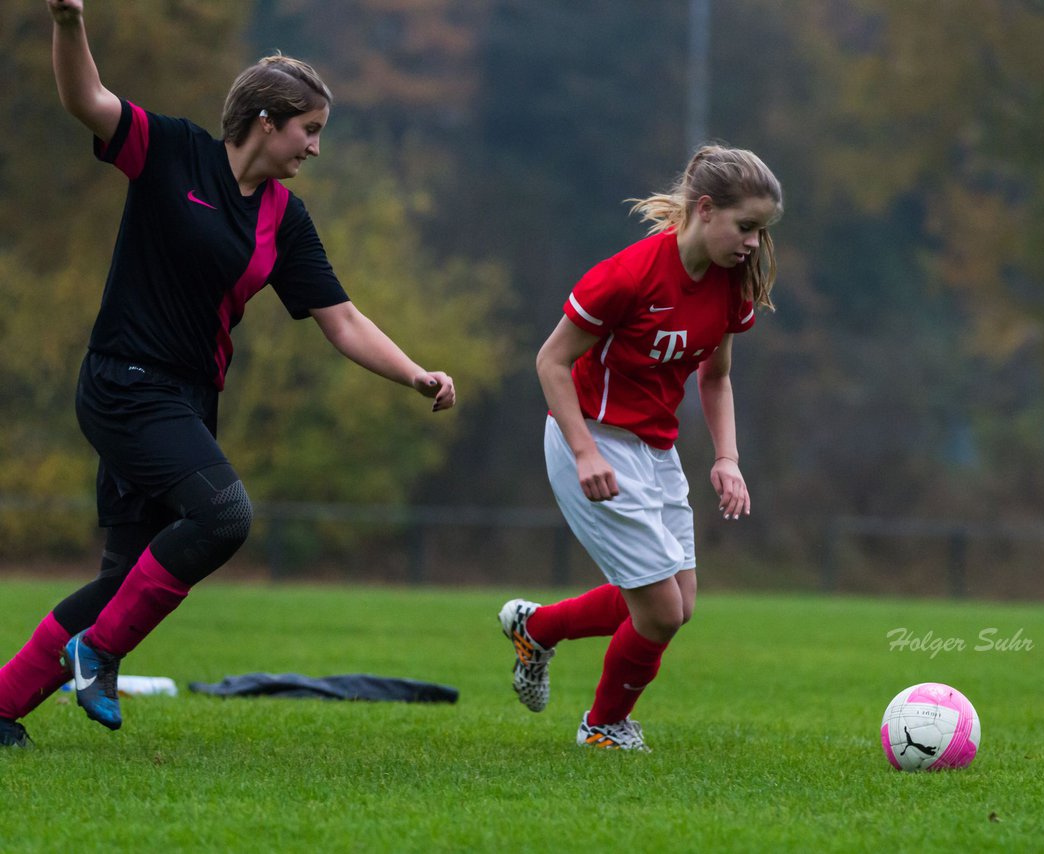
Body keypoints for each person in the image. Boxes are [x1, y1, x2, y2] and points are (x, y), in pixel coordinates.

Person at [0, 0, 455, 749]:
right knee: (224, 516)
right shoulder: (171, 151)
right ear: (268, 121)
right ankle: (99, 651)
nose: (315, 148)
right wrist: (69, 21)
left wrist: (415, 374)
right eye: (310, 130)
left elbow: (341, 319)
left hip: (185, 403)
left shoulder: (287, 218)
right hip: (122, 385)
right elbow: (86, 100)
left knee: (122, 582)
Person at [499, 144, 782, 750]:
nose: (755, 243)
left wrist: (726, 458)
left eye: (762, 230)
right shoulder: (627, 276)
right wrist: (584, 452)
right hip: (591, 439)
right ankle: (602, 727)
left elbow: (716, 377)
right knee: (659, 612)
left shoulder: (730, 286)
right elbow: (550, 363)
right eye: (747, 227)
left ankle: (536, 627)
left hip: (655, 450)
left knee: (678, 603)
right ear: (706, 210)